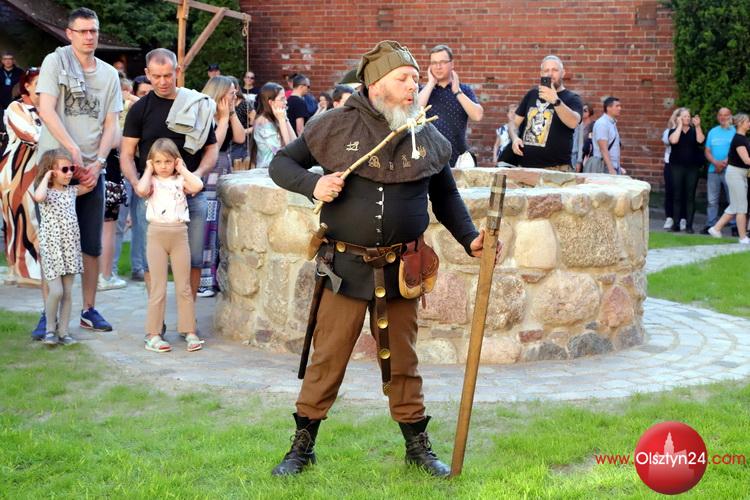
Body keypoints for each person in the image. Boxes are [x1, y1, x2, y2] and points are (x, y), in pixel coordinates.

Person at [268, 40, 489, 478]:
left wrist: (470, 239)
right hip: (344, 270)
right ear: (375, 85)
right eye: (403, 78)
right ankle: (302, 447)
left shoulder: (423, 132)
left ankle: (417, 447)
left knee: (404, 359)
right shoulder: (333, 125)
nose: (413, 86)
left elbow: (445, 195)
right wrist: (313, 185)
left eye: (415, 79)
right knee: (328, 357)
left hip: (403, 269)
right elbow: (281, 165)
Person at [36, 7, 122, 333]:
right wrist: (72, 151)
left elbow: (112, 123)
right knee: (53, 244)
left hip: (91, 170)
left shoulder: (109, 75)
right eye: (83, 31)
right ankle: (48, 315)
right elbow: (46, 109)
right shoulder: (55, 62)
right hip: (56, 168)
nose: (89, 36)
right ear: (69, 33)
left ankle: (88, 309)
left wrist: (98, 163)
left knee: (91, 244)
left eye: (93, 31)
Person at [120, 48, 218, 301]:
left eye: (167, 75)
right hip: (152, 195)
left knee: (194, 259)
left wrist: (197, 175)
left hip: (191, 193)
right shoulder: (139, 110)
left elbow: (211, 149)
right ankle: (157, 317)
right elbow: (127, 154)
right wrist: (137, 183)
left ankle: (188, 314)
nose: (162, 81)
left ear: (177, 71)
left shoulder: (195, 104)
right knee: (152, 261)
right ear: (147, 73)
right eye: (156, 76)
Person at [135, 139, 205, 352]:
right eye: (158, 162)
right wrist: (148, 170)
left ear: (175, 161)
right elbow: (140, 189)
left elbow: (198, 185)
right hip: (156, 235)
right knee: (158, 287)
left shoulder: (180, 180)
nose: (163, 166)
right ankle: (153, 334)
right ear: (152, 163)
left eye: (168, 161)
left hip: (179, 235)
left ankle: (189, 330)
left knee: (184, 286)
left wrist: (182, 169)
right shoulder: (151, 181)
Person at [32, 149, 94, 345]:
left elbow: (90, 185)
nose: (69, 173)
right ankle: (50, 329)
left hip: (70, 248)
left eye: (70, 169)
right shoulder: (46, 193)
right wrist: (47, 176)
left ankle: (64, 332)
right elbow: (38, 197)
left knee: (67, 292)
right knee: (56, 291)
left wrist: (78, 170)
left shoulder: (71, 191)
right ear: (51, 171)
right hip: (52, 249)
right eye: (64, 169)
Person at [197, 76, 244, 297]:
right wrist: (224, 118)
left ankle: (216, 277)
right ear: (220, 93)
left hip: (224, 169)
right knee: (207, 226)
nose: (235, 95)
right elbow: (213, 146)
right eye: (231, 92)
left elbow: (240, 138)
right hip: (209, 172)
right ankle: (203, 280)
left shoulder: (228, 114)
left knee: (220, 226)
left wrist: (231, 114)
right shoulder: (204, 114)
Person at [0, 67, 42, 287]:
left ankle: (21, 269)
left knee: (29, 220)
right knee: (22, 219)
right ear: (27, 85)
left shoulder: (49, 108)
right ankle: (24, 271)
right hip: (17, 172)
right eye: (38, 83)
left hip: (39, 171)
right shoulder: (16, 107)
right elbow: (31, 135)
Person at [508, 55, 583, 171]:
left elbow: (573, 122)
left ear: (563, 73)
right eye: (546, 70)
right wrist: (515, 138)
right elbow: (513, 123)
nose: (550, 74)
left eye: (555, 70)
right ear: (541, 73)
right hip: (526, 167)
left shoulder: (572, 98)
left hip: (557, 169)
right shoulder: (532, 94)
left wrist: (555, 100)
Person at [418, 44, 483, 168]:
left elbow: (477, 115)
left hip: (459, 157)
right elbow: (414, 111)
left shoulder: (464, 90)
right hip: (431, 157)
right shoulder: (424, 91)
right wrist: (431, 83)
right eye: (434, 63)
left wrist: (457, 91)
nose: (438, 67)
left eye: (442, 62)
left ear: (452, 64)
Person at [707, 113, 750, 244]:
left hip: (740, 174)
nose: (749, 124)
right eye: (748, 121)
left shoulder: (743, 138)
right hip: (735, 174)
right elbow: (747, 160)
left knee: (735, 206)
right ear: (741, 123)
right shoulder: (739, 139)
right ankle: (743, 238)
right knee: (741, 207)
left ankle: (715, 229)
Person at [668, 108, 705, 233]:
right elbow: (674, 141)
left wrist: (698, 126)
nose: (687, 118)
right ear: (679, 118)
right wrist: (679, 126)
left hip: (692, 168)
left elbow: (700, 141)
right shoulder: (673, 131)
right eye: (684, 116)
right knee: (677, 195)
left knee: (690, 196)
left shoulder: (694, 131)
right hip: (677, 167)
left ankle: (689, 225)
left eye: (688, 116)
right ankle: (676, 224)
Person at [703, 107, 735, 234]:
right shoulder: (713, 131)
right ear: (717, 117)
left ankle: (734, 226)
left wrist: (723, 163)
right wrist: (716, 163)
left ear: (730, 116)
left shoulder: (734, 131)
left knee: (732, 199)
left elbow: (735, 150)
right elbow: (707, 151)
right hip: (713, 170)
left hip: (730, 170)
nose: (723, 117)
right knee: (712, 200)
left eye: (726, 115)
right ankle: (710, 224)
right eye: (720, 115)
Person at [252, 82, 296, 169]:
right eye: (282, 99)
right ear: (271, 102)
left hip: (279, 168)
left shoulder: (276, 117)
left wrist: (285, 119)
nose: (286, 102)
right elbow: (288, 150)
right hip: (267, 170)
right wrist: (282, 120)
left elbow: (295, 142)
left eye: (285, 98)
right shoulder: (264, 123)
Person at [588, 96, 625, 175]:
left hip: (612, 167)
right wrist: (611, 169)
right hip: (604, 167)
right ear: (608, 108)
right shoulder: (602, 124)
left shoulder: (611, 123)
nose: (620, 108)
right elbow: (603, 149)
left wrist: (618, 167)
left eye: (620, 106)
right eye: (617, 106)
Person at [661, 108, 681, 230]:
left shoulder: (690, 131)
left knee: (683, 192)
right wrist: (675, 127)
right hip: (670, 164)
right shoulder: (668, 131)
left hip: (683, 165)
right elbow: (668, 141)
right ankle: (669, 217)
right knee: (670, 191)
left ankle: (682, 218)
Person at [1, 52, 24, 139]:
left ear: (13, 61)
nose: (8, 61)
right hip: (1, 104)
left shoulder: (20, 72)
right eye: (5, 59)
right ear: (2, 61)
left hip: (14, 103)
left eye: (10, 59)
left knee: (14, 127)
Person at [572, 102, 593, 171]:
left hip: (587, 155)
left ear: (590, 112)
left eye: (585, 110)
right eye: (581, 110)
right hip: (578, 154)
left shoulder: (592, 126)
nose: (582, 112)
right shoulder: (578, 124)